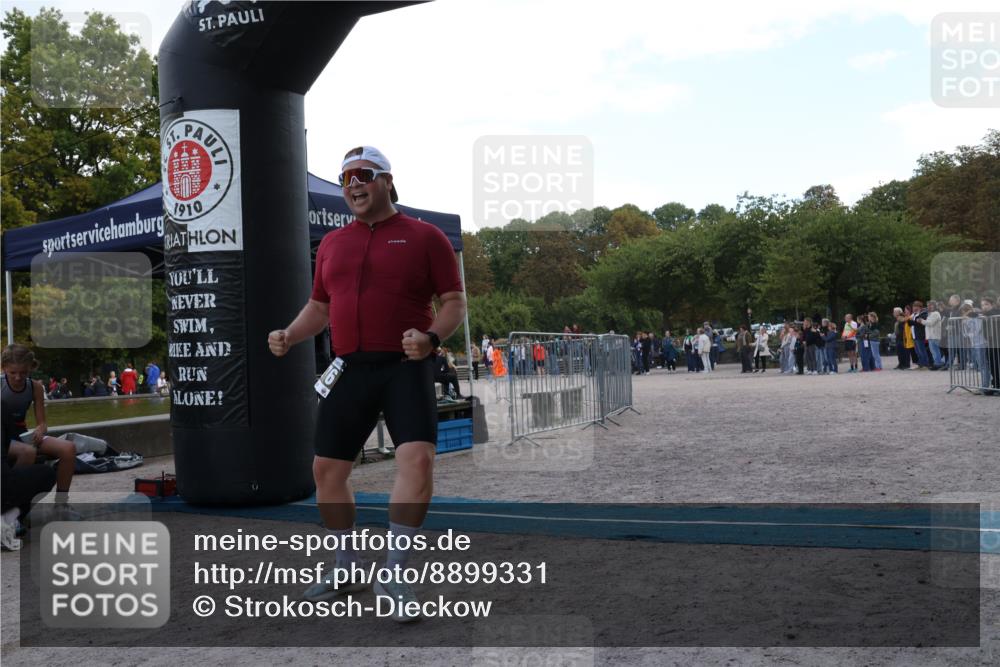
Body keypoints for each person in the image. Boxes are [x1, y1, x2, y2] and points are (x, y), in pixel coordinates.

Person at [267, 145, 465, 622]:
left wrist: (431, 337)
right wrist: (290, 334)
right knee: (326, 471)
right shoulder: (333, 244)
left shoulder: (426, 236)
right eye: (345, 178)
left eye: (363, 174)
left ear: (387, 181)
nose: (352, 184)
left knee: (416, 459)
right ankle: (346, 569)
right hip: (350, 368)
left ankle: (394, 573)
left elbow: (455, 302)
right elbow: (320, 308)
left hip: (406, 363)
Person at [1, 345, 79, 520]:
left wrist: (39, 430)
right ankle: (13, 506)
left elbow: (42, 422)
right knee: (28, 452)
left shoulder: (35, 387)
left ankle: (61, 504)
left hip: (21, 434)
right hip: (3, 437)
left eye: (23, 372)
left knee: (68, 448)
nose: (18, 377)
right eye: (13, 373)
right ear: (4, 367)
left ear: (31, 368)